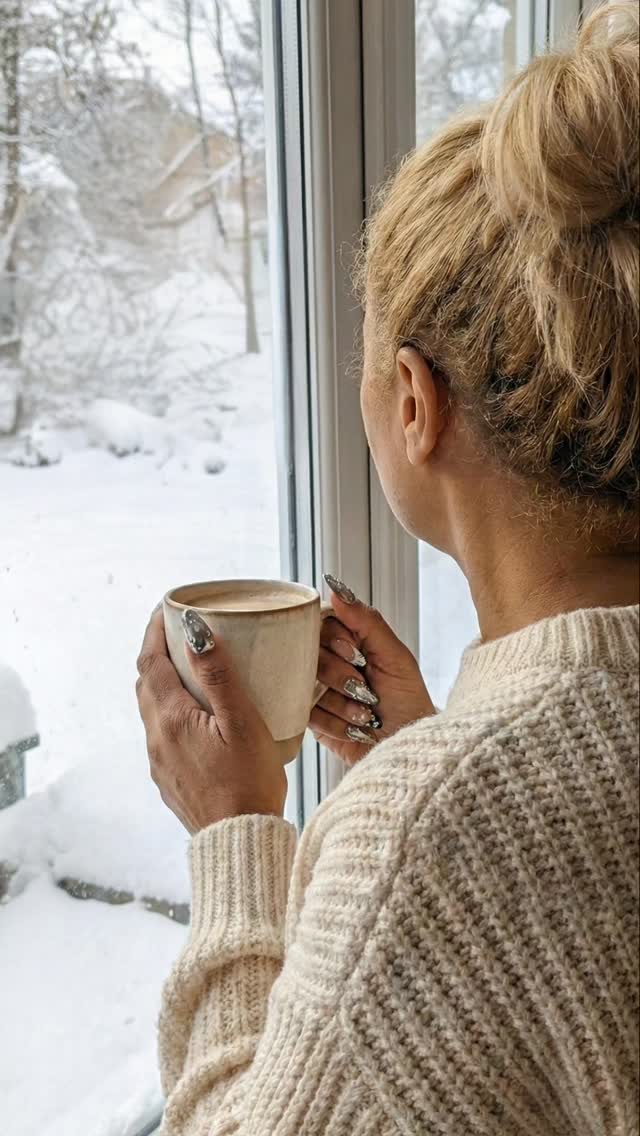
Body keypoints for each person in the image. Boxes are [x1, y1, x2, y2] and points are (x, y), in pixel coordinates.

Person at [135, 5, 639, 1133]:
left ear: (414, 403)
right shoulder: (450, 802)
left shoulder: (427, 833)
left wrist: (233, 838)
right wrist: (428, 748)